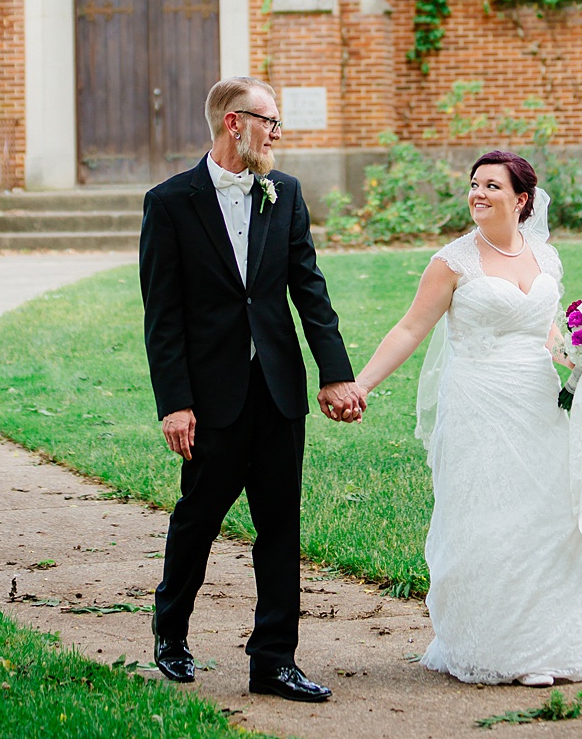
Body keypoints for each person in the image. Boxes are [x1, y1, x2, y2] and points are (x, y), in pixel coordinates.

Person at [354, 151, 582, 686]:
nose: (479, 193)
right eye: (473, 184)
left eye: (492, 185)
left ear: (521, 199)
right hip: (478, 402)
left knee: (545, 519)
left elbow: (547, 335)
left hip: (537, 400)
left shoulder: (545, 258)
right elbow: (409, 330)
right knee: (485, 517)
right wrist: (362, 385)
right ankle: (488, 647)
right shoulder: (452, 261)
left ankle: (542, 648)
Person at [139, 76, 366, 703]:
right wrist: (175, 403)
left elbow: (308, 291)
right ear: (234, 123)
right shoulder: (170, 203)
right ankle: (172, 633)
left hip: (277, 392)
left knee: (279, 528)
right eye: (269, 121)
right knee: (198, 518)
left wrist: (335, 372)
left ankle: (273, 661)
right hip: (210, 399)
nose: (276, 132)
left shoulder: (284, 194)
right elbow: (163, 317)